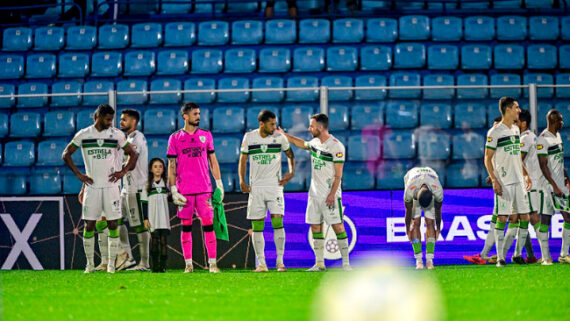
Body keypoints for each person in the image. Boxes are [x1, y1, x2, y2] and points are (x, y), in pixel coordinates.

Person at [62, 104, 138, 274]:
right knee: (89, 225)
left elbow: (133, 154)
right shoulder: (84, 134)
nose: (111, 122)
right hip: (92, 187)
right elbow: (66, 154)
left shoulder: (117, 134)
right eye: (108, 119)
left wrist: (123, 172)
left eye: (112, 119)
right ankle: (89, 264)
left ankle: (110, 264)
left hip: (112, 187)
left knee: (112, 224)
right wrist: (79, 175)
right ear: (98, 117)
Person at [278, 114, 351, 271]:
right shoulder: (315, 142)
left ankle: (346, 264)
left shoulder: (336, 146)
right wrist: (285, 136)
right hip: (314, 194)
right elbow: (302, 144)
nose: (309, 129)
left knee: (338, 227)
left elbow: (338, 175)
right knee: (315, 227)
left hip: (330, 195)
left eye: (311, 126)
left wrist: (332, 194)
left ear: (320, 127)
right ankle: (319, 264)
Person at [167, 102, 224, 273]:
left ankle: (213, 264)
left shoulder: (206, 135)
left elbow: (213, 161)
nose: (198, 117)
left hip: (204, 188)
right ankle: (188, 265)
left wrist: (219, 183)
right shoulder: (175, 138)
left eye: (199, 114)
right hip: (184, 190)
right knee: (186, 226)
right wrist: (173, 189)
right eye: (194, 114)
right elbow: (171, 165)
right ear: (185, 116)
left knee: (208, 225)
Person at [239, 109, 295, 272]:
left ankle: (280, 262)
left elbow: (290, 155)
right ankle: (261, 264)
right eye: (271, 124)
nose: (274, 127)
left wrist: (291, 172)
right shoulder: (249, 137)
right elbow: (242, 160)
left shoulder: (279, 137)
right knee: (257, 225)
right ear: (261, 124)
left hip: (275, 187)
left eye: (275, 124)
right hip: (256, 188)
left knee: (278, 222)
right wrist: (242, 180)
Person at [484, 97, 532, 267]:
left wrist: (526, 175)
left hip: (519, 181)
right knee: (502, 218)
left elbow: (516, 157)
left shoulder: (515, 130)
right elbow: (487, 159)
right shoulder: (494, 132)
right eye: (516, 107)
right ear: (508, 109)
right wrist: (495, 180)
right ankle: (500, 258)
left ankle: (517, 254)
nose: (519, 110)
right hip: (504, 181)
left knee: (524, 216)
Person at [464, 116, 502, 265]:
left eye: (497, 127)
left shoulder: (514, 141)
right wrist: (493, 175)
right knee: (519, 219)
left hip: (510, 185)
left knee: (519, 219)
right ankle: (488, 254)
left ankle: (490, 255)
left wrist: (495, 176)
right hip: (506, 183)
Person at [118, 109, 150, 271]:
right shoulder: (127, 139)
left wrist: (119, 170)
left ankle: (144, 263)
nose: (121, 122)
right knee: (116, 220)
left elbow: (133, 158)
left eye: (124, 120)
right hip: (126, 188)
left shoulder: (137, 138)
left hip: (137, 188)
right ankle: (127, 257)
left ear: (134, 122)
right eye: (121, 119)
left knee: (139, 226)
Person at [536, 109, 570, 265]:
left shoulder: (558, 136)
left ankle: (564, 254)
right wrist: (554, 185)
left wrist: (566, 180)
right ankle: (546, 257)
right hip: (547, 187)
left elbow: (559, 162)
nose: (562, 123)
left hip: (560, 186)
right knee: (545, 220)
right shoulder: (543, 139)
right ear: (552, 120)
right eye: (560, 120)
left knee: (568, 218)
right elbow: (543, 166)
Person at [512, 109, 539, 264]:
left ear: (523, 123)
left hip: (528, 183)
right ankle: (529, 255)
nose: (514, 124)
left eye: (516, 122)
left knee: (530, 217)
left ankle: (542, 253)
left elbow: (517, 160)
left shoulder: (525, 138)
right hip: (529, 183)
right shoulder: (529, 137)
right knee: (525, 218)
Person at [403, 167, 443, 270]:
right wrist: (408, 228)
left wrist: (437, 228)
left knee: (430, 222)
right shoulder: (409, 190)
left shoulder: (437, 190)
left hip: (431, 182)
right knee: (415, 223)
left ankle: (430, 260)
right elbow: (408, 210)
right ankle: (419, 260)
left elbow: (438, 210)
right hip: (413, 180)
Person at [146, 158, 171, 273]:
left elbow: (171, 198)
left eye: (160, 166)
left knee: (163, 241)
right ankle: (155, 265)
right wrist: (145, 218)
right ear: (151, 169)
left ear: (163, 169)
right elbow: (144, 202)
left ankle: (163, 265)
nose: (158, 169)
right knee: (154, 240)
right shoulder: (147, 184)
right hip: (153, 217)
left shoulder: (167, 183)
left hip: (164, 217)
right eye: (155, 166)